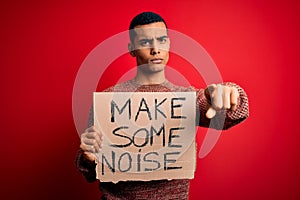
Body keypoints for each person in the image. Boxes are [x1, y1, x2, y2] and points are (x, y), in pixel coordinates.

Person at [75, 12, 249, 199]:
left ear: (168, 44)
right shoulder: (108, 100)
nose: (155, 49)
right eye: (145, 43)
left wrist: (230, 92)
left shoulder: (186, 98)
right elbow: (90, 172)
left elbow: (232, 114)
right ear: (132, 48)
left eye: (161, 40)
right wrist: (88, 157)